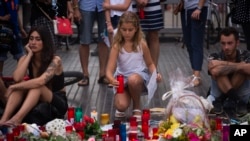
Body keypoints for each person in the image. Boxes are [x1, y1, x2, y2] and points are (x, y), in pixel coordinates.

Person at [0, 26, 68, 126]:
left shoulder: (55, 60)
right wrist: (29, 55)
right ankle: (3, 120)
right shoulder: (26, 58)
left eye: (38, 39)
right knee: (22, 84)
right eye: (31, 39)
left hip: (57, 102)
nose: (33, 42)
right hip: (38, 99)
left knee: (36, 86)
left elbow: (40, 81)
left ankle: (17, 119)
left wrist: (13, 86)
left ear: (45, 42)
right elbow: (17, 78)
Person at [106, 11, 162, 118]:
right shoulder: (117, 45)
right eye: (124, 30)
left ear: (136, 29)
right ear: (120, 29)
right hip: (122, 79)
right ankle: (126, 95)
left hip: (138, 76)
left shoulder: (141, 44)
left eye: (130, 30)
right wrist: (112, 80)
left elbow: (150, 63)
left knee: (133, 80)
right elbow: (109, 70)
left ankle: (136, 106)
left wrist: (156, 73)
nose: (127, 33)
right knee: (121, 106)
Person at [207, 27, 250, 117]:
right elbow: (215, 71)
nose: (226, 47)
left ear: (237, 43)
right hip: (235, 102)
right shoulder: (215, 55)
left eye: (230, 43)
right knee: (225, 71)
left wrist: (223, 64)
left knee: (242, 70)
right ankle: (236, 100)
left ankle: (223, 99)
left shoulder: (246, 55)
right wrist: (240, 65)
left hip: (222, 101)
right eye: (223, 43)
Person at [73, 0, 109, 86]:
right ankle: (85, 75)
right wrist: (75, 8)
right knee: (84, 41)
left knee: (104, 41)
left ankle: (103, 74)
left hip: (104, 7)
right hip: (86, 6)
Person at [180, 0, 208, 86]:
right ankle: (194, 73)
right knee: (189, 42)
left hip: (197, 8)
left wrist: (199, 7)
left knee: (196, 43)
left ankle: (197, 75)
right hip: (186, 9)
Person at [132, 0, 164, 68]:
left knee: (153, 35)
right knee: (134, 34)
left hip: (152, 4)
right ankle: (137, 68)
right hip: (133, 4)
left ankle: (153, 70)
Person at [0, 0, 27, 77]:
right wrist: (2, 18)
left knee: (20, 55)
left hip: (15, 31)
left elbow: (16, 13)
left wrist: (21, 28)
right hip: (2, 31)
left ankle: (23, 77)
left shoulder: (16, 0)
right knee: (1, 56)